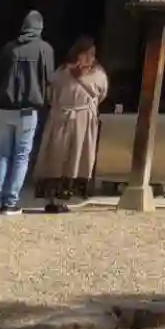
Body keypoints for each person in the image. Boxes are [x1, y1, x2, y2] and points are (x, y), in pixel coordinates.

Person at [34, 36, 109, 213]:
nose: (90, 58)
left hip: (83, 120)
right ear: (77, 54)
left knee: (77, 158)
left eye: (92, 54)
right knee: (56, 157)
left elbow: (102, 94)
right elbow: (50, 93)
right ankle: (52, 199)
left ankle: (66, 198)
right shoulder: (61, 73)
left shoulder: (98, 74)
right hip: (61, 119)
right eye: (86, 54)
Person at [0, 10, 55, 215]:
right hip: (28, 110)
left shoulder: (9, 48)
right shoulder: (45, 49)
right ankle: (10, 201)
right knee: (21, 155)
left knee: (2, 154)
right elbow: (49, 78)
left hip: (5, 108)